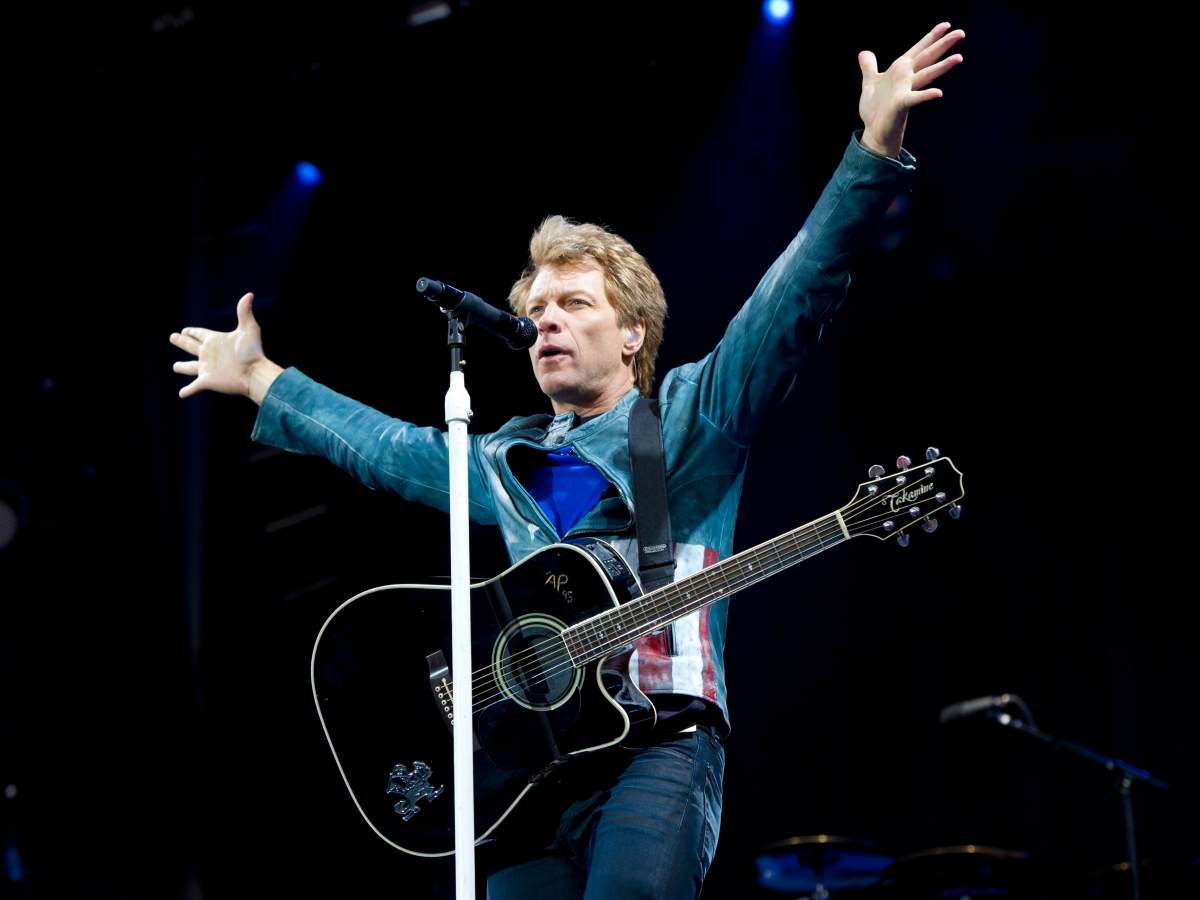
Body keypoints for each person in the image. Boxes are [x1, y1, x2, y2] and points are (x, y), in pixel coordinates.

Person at [170, 22, 964, 899]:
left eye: (574, 303)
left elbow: (793, 295)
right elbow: (384, 449)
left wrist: (870, 149)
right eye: (538, 306)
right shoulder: (503, 458)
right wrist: (261, 378)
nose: (546, 318)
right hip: (531, 772)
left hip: (661, 744)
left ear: (631, 335)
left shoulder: (691, 416)